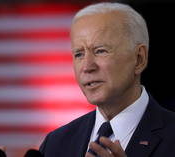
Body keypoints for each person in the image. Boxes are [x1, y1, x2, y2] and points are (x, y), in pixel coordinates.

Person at [39, 2, 175, 157]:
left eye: (100, 51)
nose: (87, 66)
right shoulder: (55, 143)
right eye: (79, 54)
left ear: (139, 59)